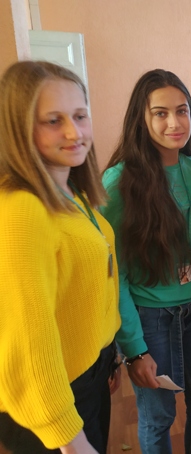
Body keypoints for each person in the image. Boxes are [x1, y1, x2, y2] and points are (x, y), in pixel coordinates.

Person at [0, 61, 120, 454]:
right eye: (54, 121)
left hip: (88, 372)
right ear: (18, 128)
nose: (74, 132)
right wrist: (70, 439)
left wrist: (110, 352)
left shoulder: (71, 192)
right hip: (52, 401)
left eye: (80, 116)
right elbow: (30, 338)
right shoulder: (21, 209)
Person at [101, 69, 191, 454]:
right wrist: (134, 348)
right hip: (149, 319)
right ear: (142, 118)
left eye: (182, 111)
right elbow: (112, 274)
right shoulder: (119, 182)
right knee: (158, 418)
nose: (175, 122)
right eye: (161, 113)